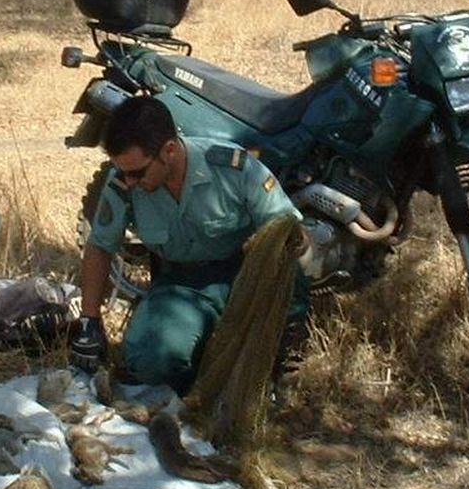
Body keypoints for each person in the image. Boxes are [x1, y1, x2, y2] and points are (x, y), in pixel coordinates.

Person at [71, 95, 303, 392]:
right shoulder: (123, 182)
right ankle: (197, 371)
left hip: (244, 277)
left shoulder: (234, 168)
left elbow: (288, 230)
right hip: (181, 284)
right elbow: (100, 246)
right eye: (123, 172)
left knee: (288, 257)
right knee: (150, 361)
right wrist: (90, 322)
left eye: (137, 172)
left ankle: (282, 357)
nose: (129, 181)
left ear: (168, 150)